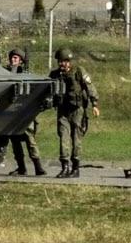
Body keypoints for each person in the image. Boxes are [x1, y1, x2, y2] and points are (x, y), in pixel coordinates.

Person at [49, 48, 99, 178]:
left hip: (77, 110)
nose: (62, 64)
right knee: (63, 137)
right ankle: (65, 166)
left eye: (65, 61)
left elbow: (89, 87)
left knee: (77, 139)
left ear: (69, 61)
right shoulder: (55, 75)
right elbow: (47, 90)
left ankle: (75, 167)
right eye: (60, 61)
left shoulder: (78, 71)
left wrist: (94, 104)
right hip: (63, 111)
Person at [5, 49, 46, 176]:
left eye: (16, 58)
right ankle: (21, 167)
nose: (13, 60)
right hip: (11, 112)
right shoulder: (5, 72)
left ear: (21, 61)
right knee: (15, 141)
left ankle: (38, 167)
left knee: (30, 140)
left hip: (24, 111)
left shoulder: (25, 74)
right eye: (12, 57)